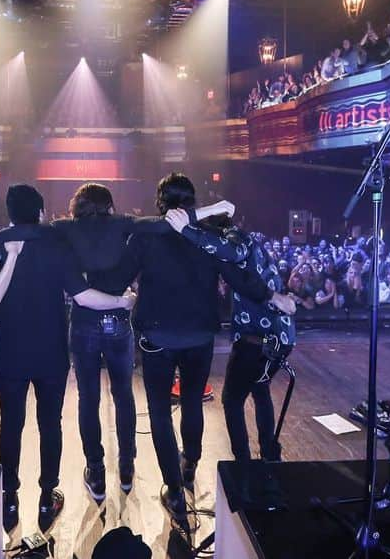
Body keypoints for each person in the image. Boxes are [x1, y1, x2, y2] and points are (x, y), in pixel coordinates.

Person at [0, 185, 234, 502]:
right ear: (109, 205)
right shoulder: (121, 224)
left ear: (77, 206)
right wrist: (214, 208)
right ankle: (127, 467)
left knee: (88, 399)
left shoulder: (64, 229)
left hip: (84, 322)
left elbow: (27, 231)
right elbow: (164, 223)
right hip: (118, 320)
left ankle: (96, 472)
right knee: (123, 396)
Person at [116, 173, 296, 526]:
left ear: (159, 201)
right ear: (192, 202)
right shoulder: (207, 236)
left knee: (159, 413)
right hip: (199, 338)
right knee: (193, 400)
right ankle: (190, 464)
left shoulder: (145, 237)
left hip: (158, 337)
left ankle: (174, 490)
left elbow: (120, 275)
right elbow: (238, 277)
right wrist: (273, 296)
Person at [0, 184, 137, 534]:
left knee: (11, 424)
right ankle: (45, 496)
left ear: (10, 215)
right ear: (41, 214)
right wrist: (122, 302)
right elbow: (84, 297)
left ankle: (9, 497)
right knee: (49, 424)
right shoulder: (55, 244)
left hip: (9, 351)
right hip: (49, 353)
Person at [170, 211, 296, 464]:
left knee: (231, 400)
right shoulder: (250, 241)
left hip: (256, 339)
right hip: (280, 336)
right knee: (260, 390)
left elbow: (228, 252)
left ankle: (243, 463)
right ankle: (271, 456)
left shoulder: (234, 239)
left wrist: (188, 230)